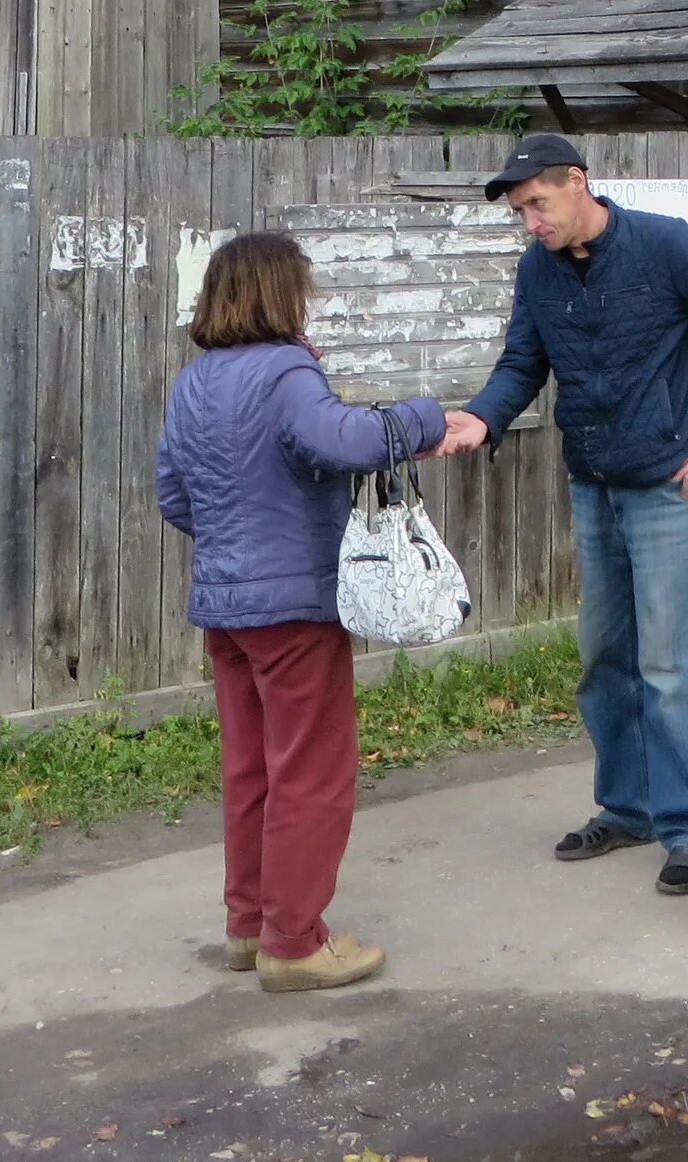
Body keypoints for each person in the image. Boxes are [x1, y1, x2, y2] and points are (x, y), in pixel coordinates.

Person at [446, 133, 688, 897]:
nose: (529, 222)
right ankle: (628, 808)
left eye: (537, 204)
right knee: (605, 656)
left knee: (669, 663)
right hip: (592, 484)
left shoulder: (663, 246)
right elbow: (522, 363)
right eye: (519, 212)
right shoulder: (538, 271)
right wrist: (482, 419)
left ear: (578, 182)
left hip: (666, 486)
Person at [156, 231, 485, 994]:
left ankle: (248, 928)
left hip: (224, 607)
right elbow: (345, 439)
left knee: (250, 768)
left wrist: (236, 544)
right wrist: (426, 416)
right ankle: (295, 944)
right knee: (311, 771)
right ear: (280, 292)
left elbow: (173, 495)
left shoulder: (193, 382)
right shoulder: (285, 371)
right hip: (293, 608)